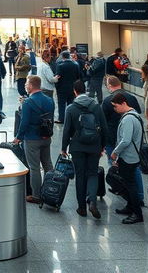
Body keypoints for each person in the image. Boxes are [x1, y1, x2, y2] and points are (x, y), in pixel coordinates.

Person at [61, 80, 107, 219]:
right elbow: (104, 128)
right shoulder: (96, 106)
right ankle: (92, 201)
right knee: (92, 173)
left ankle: (81, 208)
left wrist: (64, 147)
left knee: (80, 175)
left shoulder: (71, 108)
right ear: (85, 90)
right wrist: (102, 146)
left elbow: (66, 130)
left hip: (77, 146)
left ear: (75, 91)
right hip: (94, 145)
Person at [14, 75, 54, 202]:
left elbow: (24, 122)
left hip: (32, 138)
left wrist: (18, 137)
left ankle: (36, 195)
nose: (25, 85)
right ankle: (50, 190)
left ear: (31, 86)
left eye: (26, 83)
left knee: (34, 167)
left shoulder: (28, 102)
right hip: (46, 136)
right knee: (47, 164)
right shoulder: (49, 100)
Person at [109, 92, 144, 225]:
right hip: (133, 156)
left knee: (130, 185)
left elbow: (126, 140)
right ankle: (130, 207)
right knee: (129, 184)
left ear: (124, 103)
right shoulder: (135, 115)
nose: (114, 109)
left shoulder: (128, 118)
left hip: (128, 157)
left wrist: (115, 152)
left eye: (115, 106)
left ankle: (137, 213)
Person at [54, 51, 81, 124]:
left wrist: (57, 87)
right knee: (71, 103)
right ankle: (71, 119)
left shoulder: (60, 65)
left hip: (62, 88)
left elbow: (57, 77)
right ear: (69, 56)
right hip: (72, 87)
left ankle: (61, 119)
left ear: (62, 57)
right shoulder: (76, 64)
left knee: (61, 104)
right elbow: (79, 76)